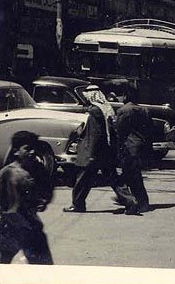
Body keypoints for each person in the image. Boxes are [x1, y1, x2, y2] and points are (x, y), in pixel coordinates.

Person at [64, 85, 136, 214]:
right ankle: (130, 202)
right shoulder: (106, 108)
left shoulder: (94, 112)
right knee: (114, 179)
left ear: (91, 95)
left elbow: (94, 134)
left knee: (82, 180)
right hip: (106, 151)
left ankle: (78, 205)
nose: (85, 98)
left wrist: (89, 153)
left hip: (93, 151)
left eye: (87, 95)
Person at [0, 131, 54, 264]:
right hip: (9, 227)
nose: (32, 152)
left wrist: (44, 201)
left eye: (34, 148)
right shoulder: (7, 173)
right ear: (15, 151)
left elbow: (47, 189)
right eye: (27, 148)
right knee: (0, 264)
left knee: (44, 264)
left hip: (31, 226)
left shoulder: (39, 170)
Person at [114, 87, 154, 215]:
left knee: (132, 176)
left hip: (129, 147)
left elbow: (119, 130)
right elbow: (149, 129)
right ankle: (131, 199)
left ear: (126, 96)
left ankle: (140, 202)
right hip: (141, 146)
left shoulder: (123, 110)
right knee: (133, 175)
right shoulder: (145, 110)